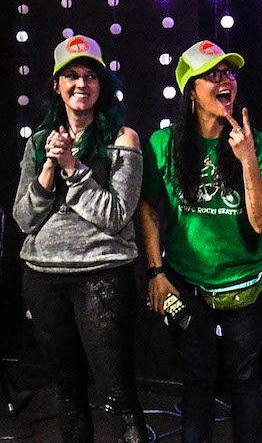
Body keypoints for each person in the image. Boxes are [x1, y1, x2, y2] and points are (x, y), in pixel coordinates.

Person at [13, 35, 148, 443]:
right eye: (70, 75)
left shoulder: (123, 139)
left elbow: (116, 215)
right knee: (66, 394)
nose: (81, 84)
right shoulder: (38, 142)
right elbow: (23, 218)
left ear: (102, 85)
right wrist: (49, 170)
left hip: (102, 277)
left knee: (118, 393)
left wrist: (72, 167)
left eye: (91, 75)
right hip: (42, 277)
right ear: (56, 85)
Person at [138, 40, 262, 443]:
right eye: (212, 74)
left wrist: (248, 158)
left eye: (228, 73)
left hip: (246, 286)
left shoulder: (258, 144)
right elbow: (147, 207)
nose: (225, 80)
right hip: (188, 285)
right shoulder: (163, 144)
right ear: (190, 90)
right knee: (197, 384)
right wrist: (155, 271)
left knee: (247, 383)